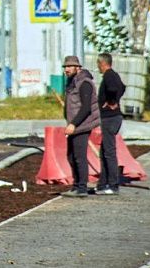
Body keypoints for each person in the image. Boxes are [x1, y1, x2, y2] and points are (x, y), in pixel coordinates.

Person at [62, 55, 101, 198]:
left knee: (79, 156)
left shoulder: (85, 83)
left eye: (69, 66)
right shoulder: (72, 82)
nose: (66, 69)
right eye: (65, 67)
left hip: (82, 125)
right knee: (71, 156)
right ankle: (76, 185)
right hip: (74, 125)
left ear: (78, 68)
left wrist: (73, 124)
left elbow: (86, 108)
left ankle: (82, 187)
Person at [96, 53, 126, 196]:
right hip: (112, 117)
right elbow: (122, 87)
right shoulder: (113, 75)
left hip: (110, 118)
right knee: (104, 152)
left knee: (109, 152)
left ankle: (113, 185)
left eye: (98, 64)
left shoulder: (109, 76)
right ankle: (102, 183)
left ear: (102, 63)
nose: (98, 67)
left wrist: (112, 101)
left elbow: (114, 89)